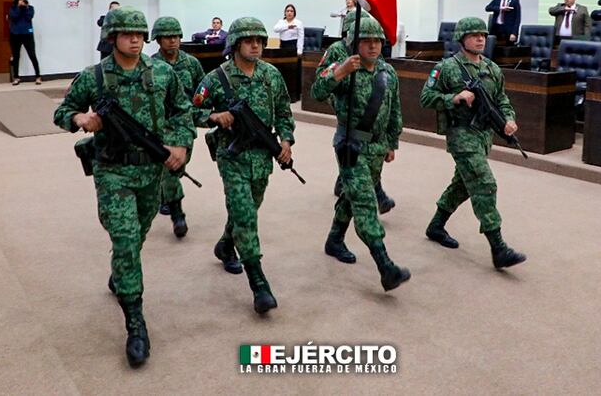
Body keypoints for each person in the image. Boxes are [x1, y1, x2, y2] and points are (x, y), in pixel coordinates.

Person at [52, 7, 194, 367]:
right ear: (112, 37)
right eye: (127, 33)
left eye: (139, 34)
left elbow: (182, 111)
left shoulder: (162, 73)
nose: (134, 39)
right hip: (112, 171)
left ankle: (120, 273)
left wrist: (180, 145)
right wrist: (80, 117)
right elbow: (62, 111)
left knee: (139, 234)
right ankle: (135, 322)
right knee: (127, 239)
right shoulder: (94, 77)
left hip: (151, 172)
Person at [192, 18, 295, 315]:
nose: (256, 45)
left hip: (263, 157)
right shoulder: (216, 78)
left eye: (260, 41)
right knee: (245, 215)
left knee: (248, 208)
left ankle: (226, 245)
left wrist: (286, 140)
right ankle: (259, 283)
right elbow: (190, 111)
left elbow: (284, 113)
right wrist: (214, 117)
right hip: (232, 156)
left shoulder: (271, 75)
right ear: (235, 44)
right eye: (249, 41)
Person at [311, 16, 410, 290]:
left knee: (351, 195)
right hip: (351, 146)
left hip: (377, 147)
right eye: (366, 41)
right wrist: (339, 72)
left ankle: (334, 240)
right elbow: (317, 91)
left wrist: (392, 142)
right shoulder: (346, 68)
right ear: (355, 43)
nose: (373, 46)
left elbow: (394, 111)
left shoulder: (388, 72)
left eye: (377, 41)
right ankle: (386, 267)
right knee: (365, 201)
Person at [420, 17, 526, 269]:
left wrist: (509, 119)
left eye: (483, 35)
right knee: (484, 183)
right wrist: (454, 97)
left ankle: (436, 226)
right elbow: (426, 97)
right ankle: (498, 248)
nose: (480, 39)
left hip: (483, 135)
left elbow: (501, 100)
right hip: (460, 134)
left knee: (463, 184)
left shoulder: (492, 68)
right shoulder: (447, 67)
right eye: (474, 35)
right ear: (462, 38)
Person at [150, 17, 205, 238]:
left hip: (184, 124)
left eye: (175, 36)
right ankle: (177, 214)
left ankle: (166, 194)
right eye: (167, 37)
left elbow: (203, 90)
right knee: (170, 168)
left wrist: (203, 110)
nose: (172, 40)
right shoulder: (150, 66)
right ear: (158, 39)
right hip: (160, 127)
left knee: (178, 166)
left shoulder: (191, 64)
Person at [8, 0, 41, 85]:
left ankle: (38, 76)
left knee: (32, 55)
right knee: (16, 56)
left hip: (27, 35)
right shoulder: (13, 8)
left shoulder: (30, 8)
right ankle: (16, 77)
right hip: (15, 35)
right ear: (16, 0)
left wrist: (25, 7)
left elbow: (29, 17)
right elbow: (14, 17)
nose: (21, 1)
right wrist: (19, 8)